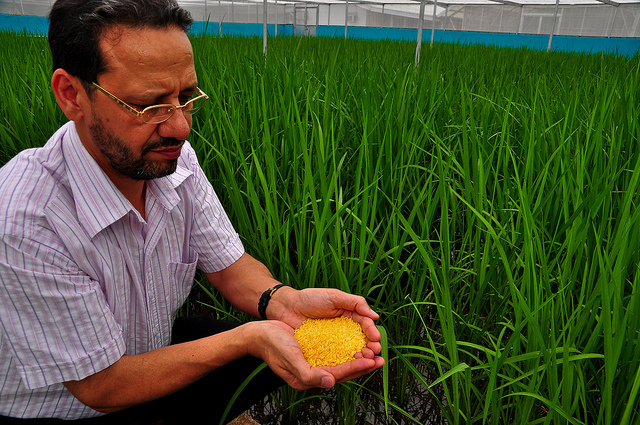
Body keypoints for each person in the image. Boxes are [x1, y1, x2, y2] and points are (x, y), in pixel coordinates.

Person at [0, 0, 384, 422]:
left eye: (186, 97)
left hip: (147, 354)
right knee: (252, 346)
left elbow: (228, 266)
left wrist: (283, 300)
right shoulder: (25, 216)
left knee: (281, 343)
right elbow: (99, 385)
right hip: (70, 407)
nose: (180, 127)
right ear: (72, 95)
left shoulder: (173, 159)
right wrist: (248, 338)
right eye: (150, 105)